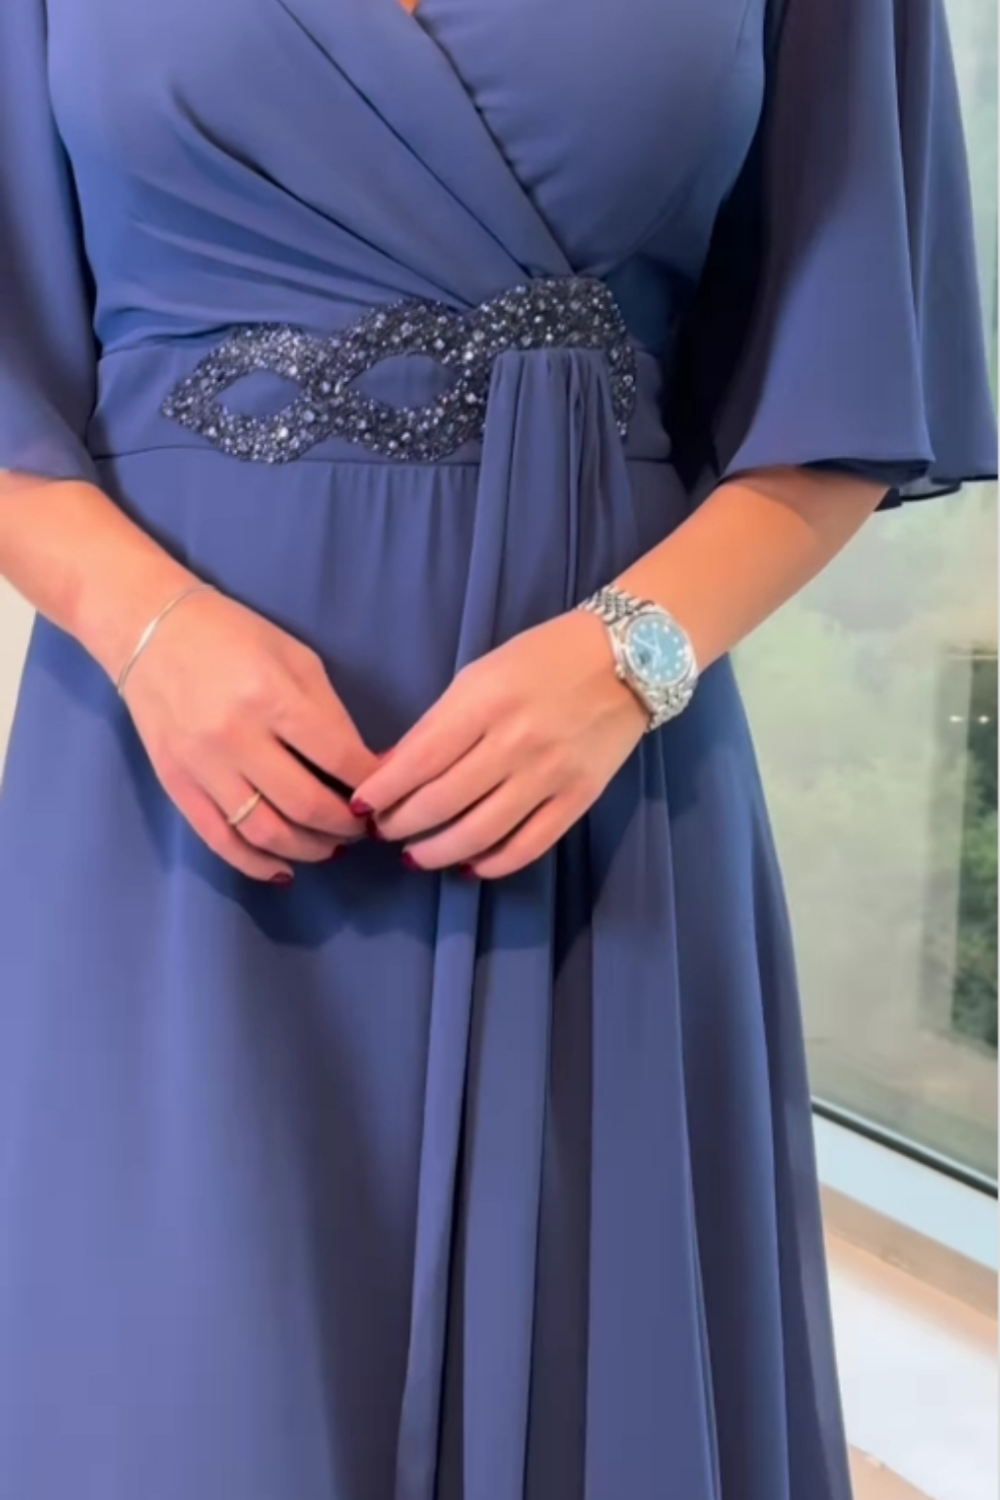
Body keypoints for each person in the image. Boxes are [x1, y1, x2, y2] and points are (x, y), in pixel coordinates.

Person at [0, 0, 995, 1494]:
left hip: (601, 795)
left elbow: (851, 383)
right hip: (175, 787)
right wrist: (144, 628)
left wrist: (627, 661)